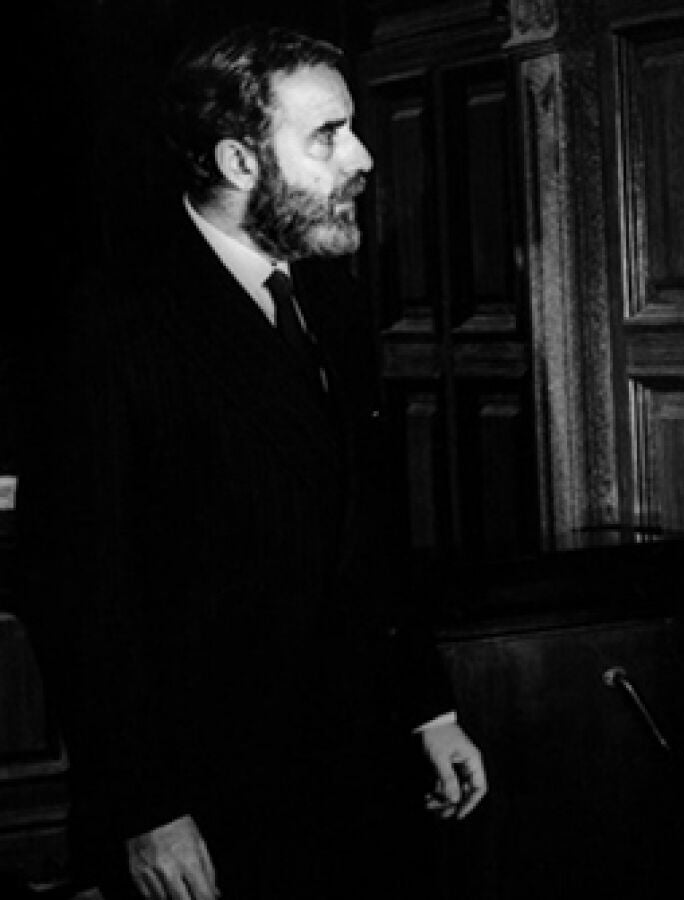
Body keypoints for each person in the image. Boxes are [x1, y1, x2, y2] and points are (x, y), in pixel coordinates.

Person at [18, 24, 487, 900]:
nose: (363, 157)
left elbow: (370, 532)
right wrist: (146, 809)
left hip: (357, 775)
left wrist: (429, 710)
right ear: (239, 162)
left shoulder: (331, 295)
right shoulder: (110, 321)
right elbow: (80, 589)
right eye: (327, 135)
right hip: (205, 805)